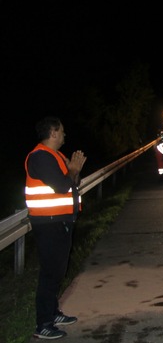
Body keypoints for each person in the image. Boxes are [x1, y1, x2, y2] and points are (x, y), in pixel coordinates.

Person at [24, 116, 87, 340]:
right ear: (52, 133)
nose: (64, 135)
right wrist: (73, 170)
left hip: (61, 221)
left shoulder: (57, 155)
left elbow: (72, 182)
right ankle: (43, 324)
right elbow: (61, 185)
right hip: (49, 222)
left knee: (59, 270)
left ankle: (53, 312)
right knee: (50, 273)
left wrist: (75, 171)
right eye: (61, 131)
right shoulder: (39, 157)